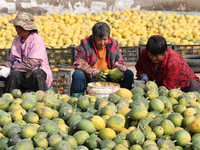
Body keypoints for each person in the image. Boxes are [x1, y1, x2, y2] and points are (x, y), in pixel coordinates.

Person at [71, 22, 134, 97]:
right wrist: (94, 72)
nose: (102, 43)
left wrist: (116, 71)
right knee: (78, 74)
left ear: (108, 37)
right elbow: (78, 62)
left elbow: (120, 61)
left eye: (105, 39)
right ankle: (77, 99)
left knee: (128, 73)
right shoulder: (85, 43)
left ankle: (124, 97)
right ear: (93, 36)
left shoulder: (113, 43)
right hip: (91, 77)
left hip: (108, 76)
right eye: (99, 40)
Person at [0, 12, 53, 93]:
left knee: (37, 74)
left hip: (35, 74)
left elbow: (31, 64)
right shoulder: (16, 40)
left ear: (26, 28)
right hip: (22, 75)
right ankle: (8, 100)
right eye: (15, 27)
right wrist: (4, 66)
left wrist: (10, 69)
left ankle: (43, 100)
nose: (16, 29)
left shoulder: (37, 39)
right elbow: (11, 60)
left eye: (18, 27)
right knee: (14, 75)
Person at [135, 35, 200, 93]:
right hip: (159, 82)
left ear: (164, 52)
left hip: (182, 83)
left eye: (157, 56)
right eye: (151, 55)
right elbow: (139, 67)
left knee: (194, 90)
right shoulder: (144, 53)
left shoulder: (173, 60)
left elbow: (169, 84)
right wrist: (142, 75)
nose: (153, 58)